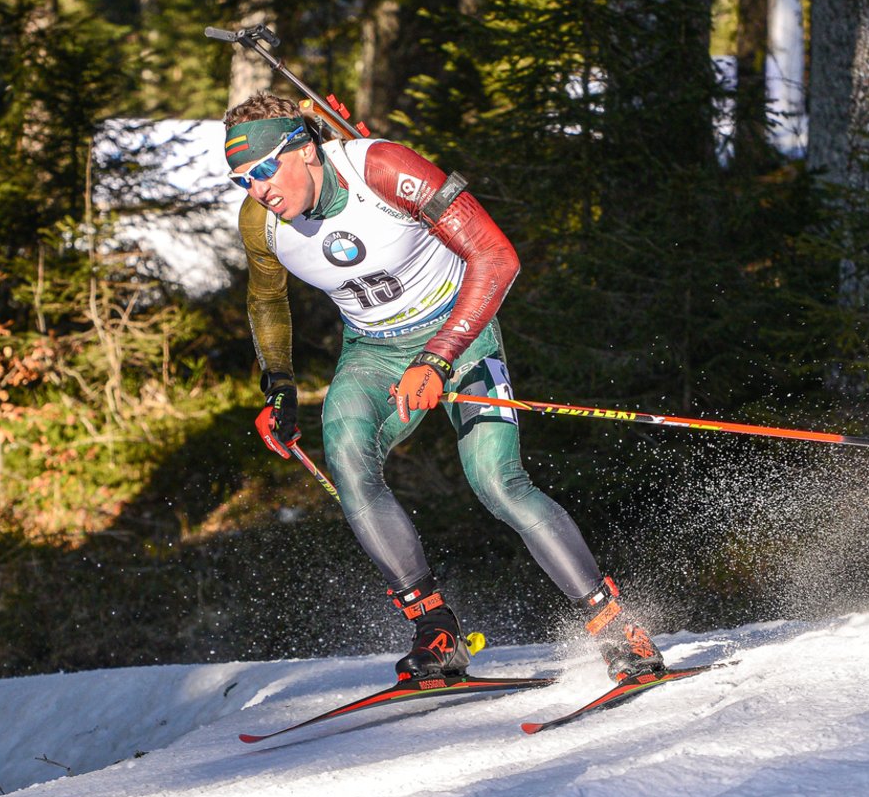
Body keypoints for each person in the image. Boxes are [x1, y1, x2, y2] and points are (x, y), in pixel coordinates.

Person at [223, 91, 666, 683]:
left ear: (304, 149)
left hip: (462, 331)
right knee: (349, 460)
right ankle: (437, 632)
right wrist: (277, 385)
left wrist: (438, 357)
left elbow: (497, 257)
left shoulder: (383, 167)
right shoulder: (261, 221)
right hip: (374, 351)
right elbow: (265, 298)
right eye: (240, 179)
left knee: (497, 482)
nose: (257, 189)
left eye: (263, 168)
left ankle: (615, 628)